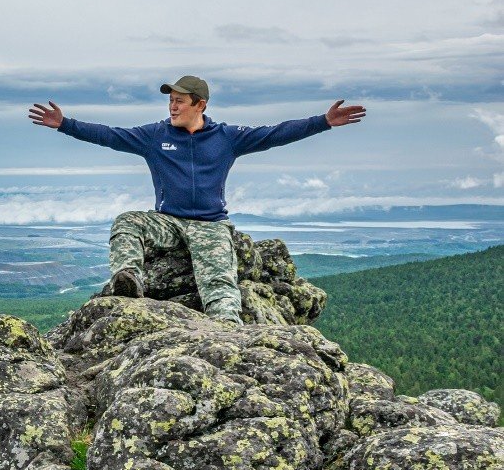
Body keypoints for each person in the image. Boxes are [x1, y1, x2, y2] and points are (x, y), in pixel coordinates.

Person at [29, 75, 366, 324]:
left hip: (210, 225)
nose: (172, 106)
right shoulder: (154, 136)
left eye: (179, 101)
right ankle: (128, 281)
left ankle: (227, 335)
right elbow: (109, 136)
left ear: (200, 104)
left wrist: (323, 122)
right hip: (169, 222)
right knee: (127, 221)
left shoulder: (227, 138)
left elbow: (275, 134)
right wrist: (65, 125)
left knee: (219, 284)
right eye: (170, 101)